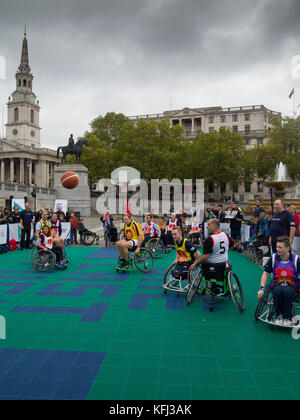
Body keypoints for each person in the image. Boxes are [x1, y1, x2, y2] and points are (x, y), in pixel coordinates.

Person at [258, 236, 300, 326]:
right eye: (277, 247)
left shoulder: (296, 259)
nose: (277, 249)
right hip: (278, 285)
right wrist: (262, 288)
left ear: (288, 248)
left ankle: (288, 317)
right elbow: (265, 273)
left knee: (287, 291)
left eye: (280, 247)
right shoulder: (273, 258)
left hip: (294, 287)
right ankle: (280, 316)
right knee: (277, 290)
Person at [190, 218, 234, 294]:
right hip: (223, 266)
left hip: (209, 268)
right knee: (229, 266)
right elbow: (233, 246)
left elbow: (205, 257)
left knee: (202, 265)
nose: (206, 227)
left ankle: (211, 287)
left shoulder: (210, 239)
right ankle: (227, 288)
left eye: (208, 225)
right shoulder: (225, 235)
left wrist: (195, 264)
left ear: (214, 226)